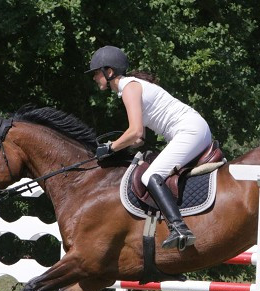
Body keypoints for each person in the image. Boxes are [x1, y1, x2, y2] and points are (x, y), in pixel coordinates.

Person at [87, 45, 213, 251]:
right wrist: (117, 148)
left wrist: (111, 147)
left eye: (96, 73)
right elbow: (139, 139)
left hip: (190, 131)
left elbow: (135, 132)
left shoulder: (129, 88)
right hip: (193, 129)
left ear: (108, 72)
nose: (94, 78)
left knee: (149, 176)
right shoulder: (131, 87)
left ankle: (179, 228)